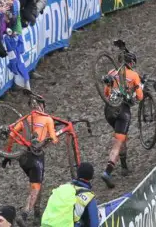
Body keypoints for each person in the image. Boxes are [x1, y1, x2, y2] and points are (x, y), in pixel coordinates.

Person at [1, 94, 58, 221]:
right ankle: (25, 214)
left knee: (36, 183)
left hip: (23, 158)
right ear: (42, 105)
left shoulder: (25, 120)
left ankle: (37, 213)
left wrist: (7, 154)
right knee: (35, 188)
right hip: (37, 158)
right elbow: (54, 140)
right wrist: (51, 136)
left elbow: (11, 136)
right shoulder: (48, 119)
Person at [99, 49, 143, 189]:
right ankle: (107, 172)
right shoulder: (134, 75)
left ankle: (124, 167)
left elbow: (106, 93)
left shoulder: (112, 73)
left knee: (122, 137)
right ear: (131, 63)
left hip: (109, 110)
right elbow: (140, 97)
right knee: (118, 142)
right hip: (123, 111)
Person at [41, 162, 98, 227]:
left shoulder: (63, 188)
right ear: (91, 176)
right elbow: (94, 224)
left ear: (78, 174)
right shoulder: (89, 197)